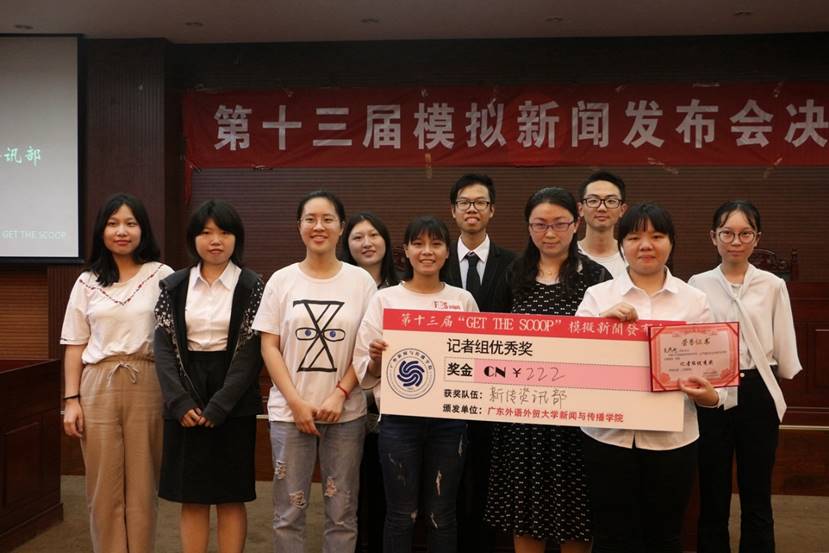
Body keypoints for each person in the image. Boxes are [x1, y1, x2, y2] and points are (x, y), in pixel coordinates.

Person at [575, 203, 721, 553]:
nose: (645, 245)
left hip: (673, 440)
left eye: (657, 236)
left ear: (671, 242)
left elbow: (717, 381)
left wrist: (710, 397)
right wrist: (600, 327)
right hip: (607, 438)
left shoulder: (695, 301)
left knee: (665, 536)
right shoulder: (598, 296)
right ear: (621, 244)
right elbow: (573, 365)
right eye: (634, 237)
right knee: (611, 537)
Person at [485, 187, 609, 553]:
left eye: (559, 224)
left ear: (576, 224)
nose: (549, 233)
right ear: (529, 227)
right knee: (526, 511)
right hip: (523, 417)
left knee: (576, 511)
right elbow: (494, 338)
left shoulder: (596, 276)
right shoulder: (514, 273)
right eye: (540, 225)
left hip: (578, 417)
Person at [253, 190, 376, 553]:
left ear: (341, 227)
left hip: (346, 413)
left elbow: (365, 347)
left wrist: (340, 393)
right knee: (288, 511)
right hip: (289, 413)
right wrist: (295, 402)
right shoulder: (281, 280)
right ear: (299, 227)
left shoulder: (361, 282)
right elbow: (269, 346)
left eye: (327, 219)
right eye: (310, 219)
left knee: (342, 512)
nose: (318, 226)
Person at [355, 215, 478, 553]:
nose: (427, 251)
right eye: (418, 244)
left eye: (436, 244)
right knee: (400, 515)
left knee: (442, 515)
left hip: (449, 421)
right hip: (398, 422)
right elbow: (364, 370)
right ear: (406, 251)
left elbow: (476, 362)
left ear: (447, 252)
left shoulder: (463, 301)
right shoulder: (385, 300)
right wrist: (376, 357)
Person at [60, 193, 173, 553]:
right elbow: (75, 345)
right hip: (97, 383)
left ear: (143, 229)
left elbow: (175, 339)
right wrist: (71, 400)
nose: (121, 231)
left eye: (130, 223)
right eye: (113, 224)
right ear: (101, 231)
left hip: (148, 380)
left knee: (143, 483)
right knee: (102, 484)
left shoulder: (162, 275)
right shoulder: (87, 281)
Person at [689, 200, 802, 553]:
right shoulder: (698, 284)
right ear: (713, 237)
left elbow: (783, 336)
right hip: (713, 390)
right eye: (727, 233)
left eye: (744, 234)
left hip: (758, 387)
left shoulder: (772, 285)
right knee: (713, 486)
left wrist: (783, 371)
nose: (735, 241)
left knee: (757, 487)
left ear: (757, 238)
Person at [154, 200, 264, 553]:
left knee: (231, 495)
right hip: (185, 392)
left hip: (235, 396)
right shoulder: (173, 286)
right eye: (205, 232)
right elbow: (163, 348)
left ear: (237, 238)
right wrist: (179, 400)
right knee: (193, 496)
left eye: (224, 232)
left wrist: (221, 404)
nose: (215, 240)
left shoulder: (252, 286)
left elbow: (252, 352)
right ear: (193, 239)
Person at [444, 174, 515, 553]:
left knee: (488, 478)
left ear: (492, 210)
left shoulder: (514, 263)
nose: (472, 209)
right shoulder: (435, 259)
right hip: (445, 391)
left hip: (496, 390)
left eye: (480, 202)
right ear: (453, 211)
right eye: (464, 202)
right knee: (447, 481)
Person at [340, 211, 399, 553]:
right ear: (346, 245)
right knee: (346, 489)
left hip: (387, 407)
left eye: (374, 235)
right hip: (343, 400)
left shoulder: (404, 287)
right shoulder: (337, 287)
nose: (367, 243)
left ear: (386, 241)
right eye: (358, 237)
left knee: (381, 488)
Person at [577, 171, 628, 277]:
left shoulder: (632, 257)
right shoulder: (565, 256)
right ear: (580, 209)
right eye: (593, 201)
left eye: (611, 201)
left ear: (622, 210)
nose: (602, 208)